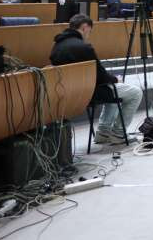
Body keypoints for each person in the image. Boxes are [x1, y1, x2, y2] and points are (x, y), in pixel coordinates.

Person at [50, 14, 144, 146]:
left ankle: (103, 133)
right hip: (89, 93)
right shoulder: (83, 47)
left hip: (69, 93)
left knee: (114, 90)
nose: (88, 35)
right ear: (85, 27)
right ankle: (118, 133)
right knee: (135, 92)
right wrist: (115, 79)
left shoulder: (57, 46)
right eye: (89, 31)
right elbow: (101, 77)